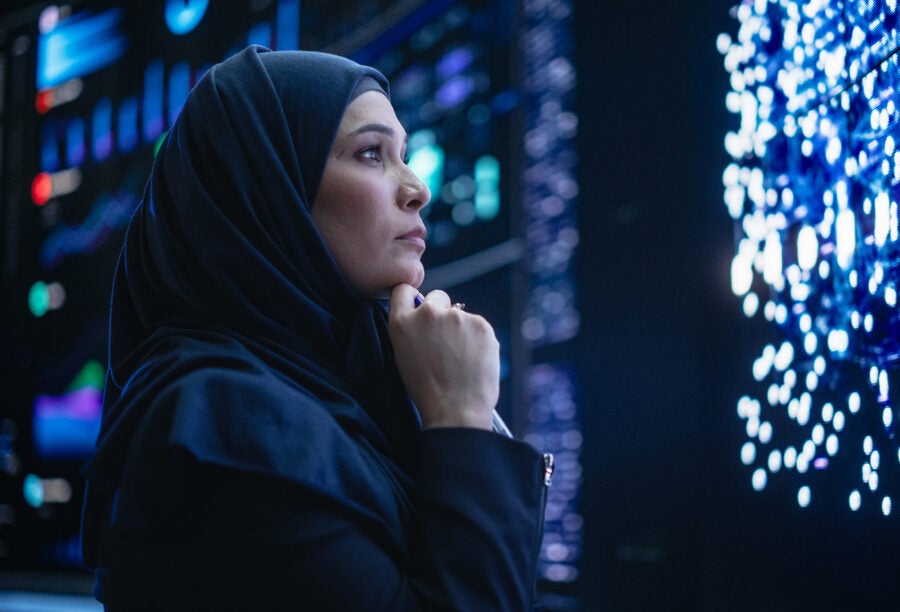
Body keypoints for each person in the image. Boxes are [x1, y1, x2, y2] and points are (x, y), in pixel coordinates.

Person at [80, 45, 552, 610]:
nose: (417, 188)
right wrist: (462, 419)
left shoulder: (332, 390)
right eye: (372, 153)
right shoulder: (226, 425)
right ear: (266, 190)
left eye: (402, 154)